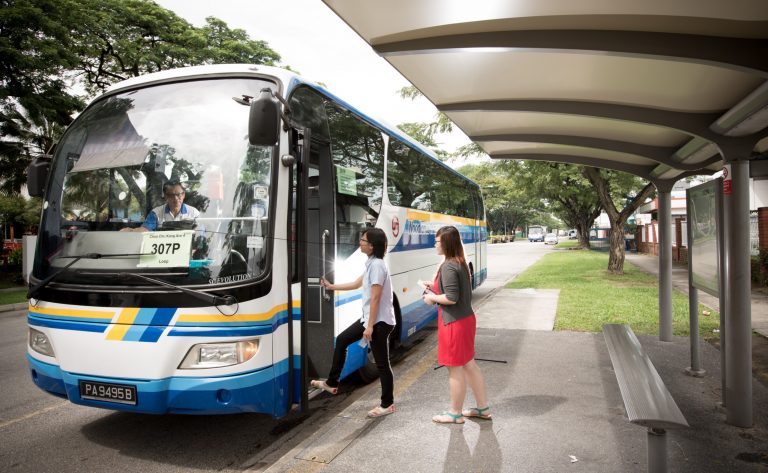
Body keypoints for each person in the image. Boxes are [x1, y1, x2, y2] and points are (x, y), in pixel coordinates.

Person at [313, 227, 397, 418]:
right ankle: (332, 383)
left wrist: (369, 327)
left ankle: (387, 404)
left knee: (382, 364)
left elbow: (375, 298)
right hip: (370, 319)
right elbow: (356, 284)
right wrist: (331, 286)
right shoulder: (371, 263)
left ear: (372, 245)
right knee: (342, 340)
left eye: (363, 240)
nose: (360, 242)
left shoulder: (377, 266)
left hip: (379, 322)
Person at [422, 225, 491, 424]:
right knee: (469, 364)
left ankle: (455, 413)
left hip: (453, 323)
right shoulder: (459, 262)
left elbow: (451, 297)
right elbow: (454, 290)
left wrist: (432, 298)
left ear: (446, 244)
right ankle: (482, 408)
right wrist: (434, 287)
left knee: (455, 368)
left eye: (437, 242)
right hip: (465, 320)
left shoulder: (448, 266)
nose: (435, 245)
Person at [121, 181, 200, 232]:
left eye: (178, 195)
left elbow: (200, 234)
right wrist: (132, 231)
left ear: (183, 195)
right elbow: (146, 229)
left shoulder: (194, 213)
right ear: (165, 196)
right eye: (171, 195)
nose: (175, 198)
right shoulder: (156, 213)